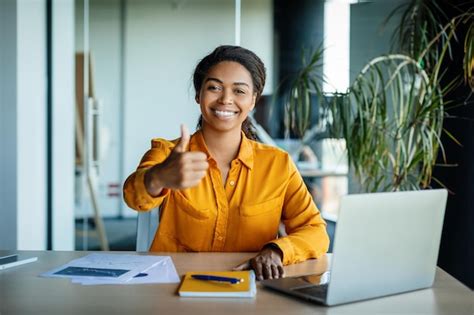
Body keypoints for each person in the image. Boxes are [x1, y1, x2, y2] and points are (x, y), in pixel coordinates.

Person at [123, 45, 329, 280]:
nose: (226, 99)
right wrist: (158, 176)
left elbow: (315, 231)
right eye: (214, 87)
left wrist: (277, 250)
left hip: (252, 286)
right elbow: (132, 196)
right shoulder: (169, 154)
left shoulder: (278, 164)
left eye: (239, 91)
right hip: (175, 285)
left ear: (253, 100)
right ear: (198, 94)